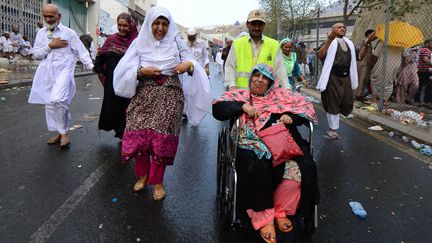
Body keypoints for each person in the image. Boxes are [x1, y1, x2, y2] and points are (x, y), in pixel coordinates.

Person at [213, 63, 319, 243]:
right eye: (256, 76)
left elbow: (304, 109)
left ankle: (281, 209)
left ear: (271, 83)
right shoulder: (240, 95)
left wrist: (291, 117)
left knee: (304, 166)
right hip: (250, 141)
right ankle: (263, 216)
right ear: (251, 77)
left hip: (281, 140)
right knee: (259, 163)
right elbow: (218, 109)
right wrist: (241, 106)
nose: (259, 80)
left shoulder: (282, 96)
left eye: (265, 78)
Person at [113, 6, 211, 201]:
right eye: (156, 23)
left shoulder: (176, 42)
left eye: (164, 24)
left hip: (170, 94)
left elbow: (193, 62)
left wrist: (188, 65)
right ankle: (143, 174)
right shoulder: (139, 43)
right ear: (150, 24)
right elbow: (124, 69)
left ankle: (157, 181)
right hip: (144, 93)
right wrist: (141, 72)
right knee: (138, 133)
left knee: (162, 139)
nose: (160, 28)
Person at [28, 4, 94, 148]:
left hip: (64, 70)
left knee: (58, 99)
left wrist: (91, 66)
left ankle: (64, 133)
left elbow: (81, 52)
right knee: (50, 103)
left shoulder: (69, 33)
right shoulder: (41, 33)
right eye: (45, 16)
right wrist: (50, 46)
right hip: (46, 72)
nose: (48, 19)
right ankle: (59, 131)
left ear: (59, 16)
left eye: (51, 16)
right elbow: (36, 54)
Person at [93, 13, 138, 139]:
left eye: (125, 25)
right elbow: (101, 54)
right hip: (112, 80)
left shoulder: (137, 40)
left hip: (130, 79)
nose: (122, 28)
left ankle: (127, 132)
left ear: (131, 25)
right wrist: (98, 66)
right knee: (113, 106)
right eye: (120, 25)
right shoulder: (111, 39)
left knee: (128, 106)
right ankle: (120, 131)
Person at [224, 9, 289, 91]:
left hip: (266, 96)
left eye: (260, 24)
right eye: (253, 24)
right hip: (242, 95)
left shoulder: (274, 45)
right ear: (247, 24)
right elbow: (230, 67)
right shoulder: (237, 44)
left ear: (264, 25)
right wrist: (231, 86)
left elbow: (281, 69)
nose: (257, 28)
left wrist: (286, 88)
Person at [317, 23, 358, 139]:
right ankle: (332, 130)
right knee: (333, 102)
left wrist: (367, 43)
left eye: (344, 27)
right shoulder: (329, 42)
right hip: (333, 77)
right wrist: (330, 39)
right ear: (333, 30)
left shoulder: (349, 44)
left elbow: (359, 56)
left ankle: (335, 125)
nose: (342, 28)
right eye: (339, 27)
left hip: (346, 77)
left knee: (347, 101)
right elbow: (320, 55)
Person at [369, 37, 404, 107]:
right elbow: (402, 56)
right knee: (389, 82)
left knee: (377, 80)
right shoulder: (401, 44)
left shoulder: (383, 41)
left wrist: (373, 66)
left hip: (382, 63)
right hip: (395, 65)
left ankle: (374, 100)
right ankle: (385, 101)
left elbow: (375, 55)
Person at [356, 29, 378, 101]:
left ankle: (360, 94)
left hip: (365, 64)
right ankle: (359, 95)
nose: (375, 36)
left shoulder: (369, 42)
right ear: (369, 35)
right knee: (362, 80)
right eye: (373, 35)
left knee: (363, 80)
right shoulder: (366, 41)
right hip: (364, 64)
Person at [415, 39, 432, 106]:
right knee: (424, 86)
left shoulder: (420, 49)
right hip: (424, 71)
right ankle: (424, 101)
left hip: (419, 70)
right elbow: (425, 59)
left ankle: (418, 101)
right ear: (427, 43)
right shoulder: (426, 50)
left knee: (420, 86)